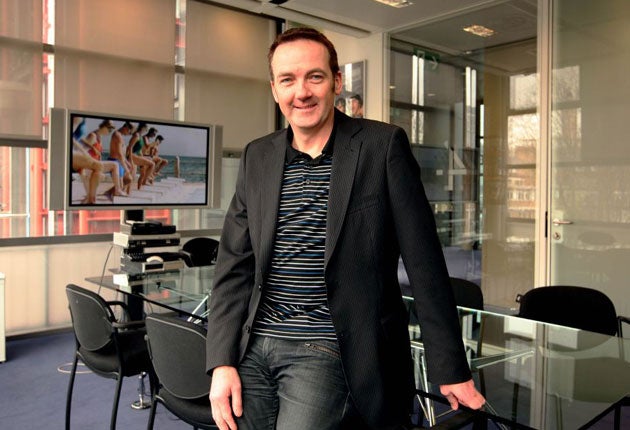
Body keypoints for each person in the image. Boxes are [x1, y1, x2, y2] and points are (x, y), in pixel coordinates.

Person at [206, 27, 485, 430]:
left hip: (329, 344)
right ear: (274, 89)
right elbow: (233, 265)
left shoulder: (381, 146)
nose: (301, 92)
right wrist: (222, 361)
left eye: (314, 77)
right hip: (255, 343)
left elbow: (423, 261)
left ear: (336, 82)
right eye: (288, 80)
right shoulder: (257, 156)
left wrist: (450, 366)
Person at [109, 121, 135, 194]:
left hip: (119, 162)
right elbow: (119, 154)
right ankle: (109, 193)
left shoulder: (120, 135)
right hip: (115, 162)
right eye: (130, 132)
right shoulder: (117, 135)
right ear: (126, 127)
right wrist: (126, 168)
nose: (129, 134)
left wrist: (127, 163)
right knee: (121, 186)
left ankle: (109, 193)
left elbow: (122, 154)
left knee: (128, 180)